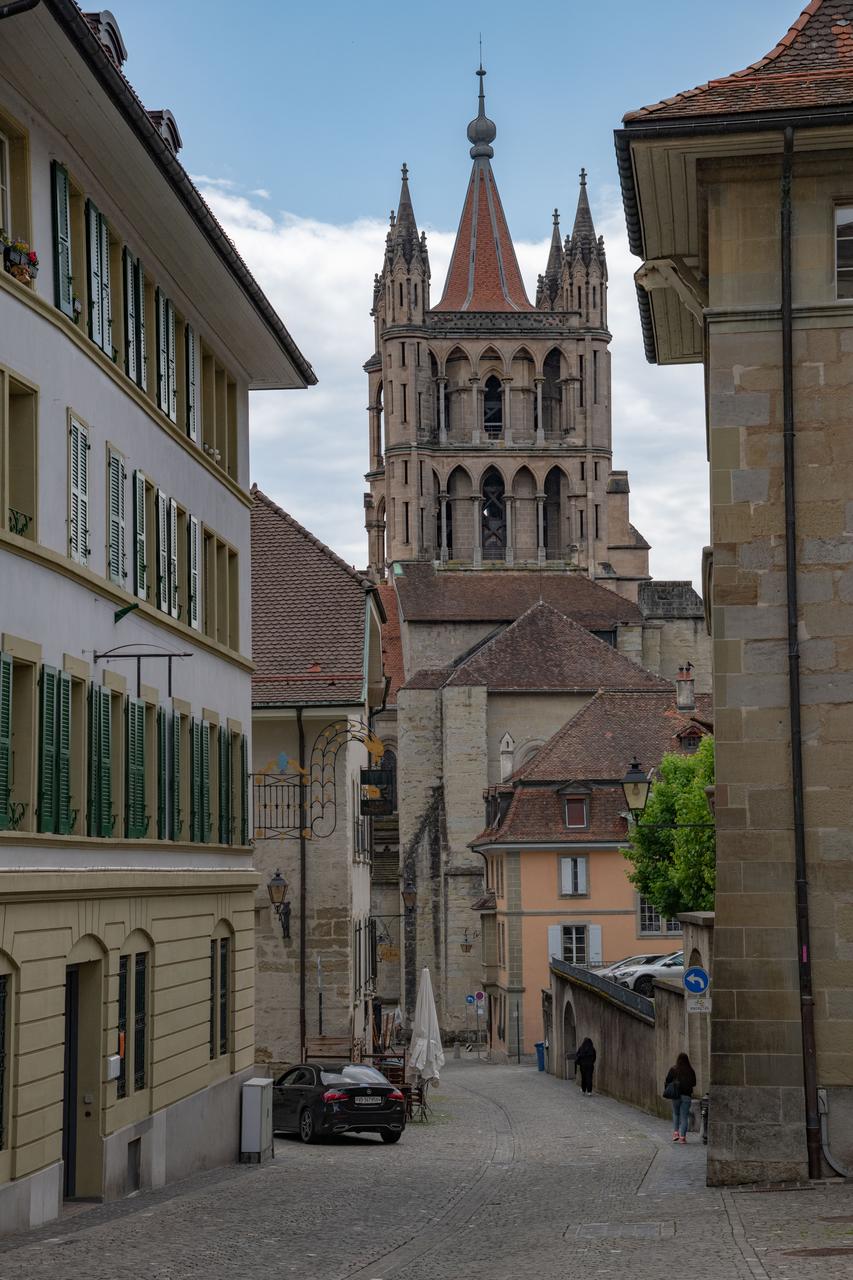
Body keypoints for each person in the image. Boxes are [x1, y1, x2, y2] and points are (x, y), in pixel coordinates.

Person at [666, 1052, 697, 1143]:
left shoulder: (673, 1069)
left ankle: (676, 1133)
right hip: (686, 1096)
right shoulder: (690, 1070)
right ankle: (682, 1138)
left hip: (676, 1095)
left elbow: (667, 1080)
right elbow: (694, 1083)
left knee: (676, 1114)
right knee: (684, 1117)